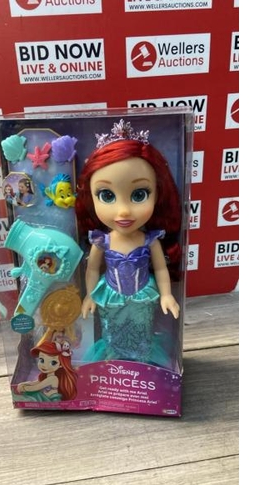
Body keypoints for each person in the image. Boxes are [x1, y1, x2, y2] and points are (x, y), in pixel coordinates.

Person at [75, 119, 182, 366]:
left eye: (139, 194)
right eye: (107, 195)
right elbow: (92, 269)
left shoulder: (149, 239)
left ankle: (141, 367)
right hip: (111, 297)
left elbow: (161, 268)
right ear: (90, 197)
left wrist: (167, 294)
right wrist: (89, 295)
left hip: (142, 296)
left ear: (158, 193)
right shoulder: (102, 240)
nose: (123, 211)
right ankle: (115, 367)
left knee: (142, 334)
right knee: (112, 335)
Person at [13, 341, 78, 402]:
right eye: (42, 360)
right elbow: (35, 383)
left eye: (53, 362)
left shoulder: (53, 378)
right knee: (31, 395)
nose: (44, 365)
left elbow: (36, 387)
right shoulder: (46, 376)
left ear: (61, 365)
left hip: (51, 400)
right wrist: (23, 384)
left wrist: (24, 388)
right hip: (44, 398)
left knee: (31, 396)